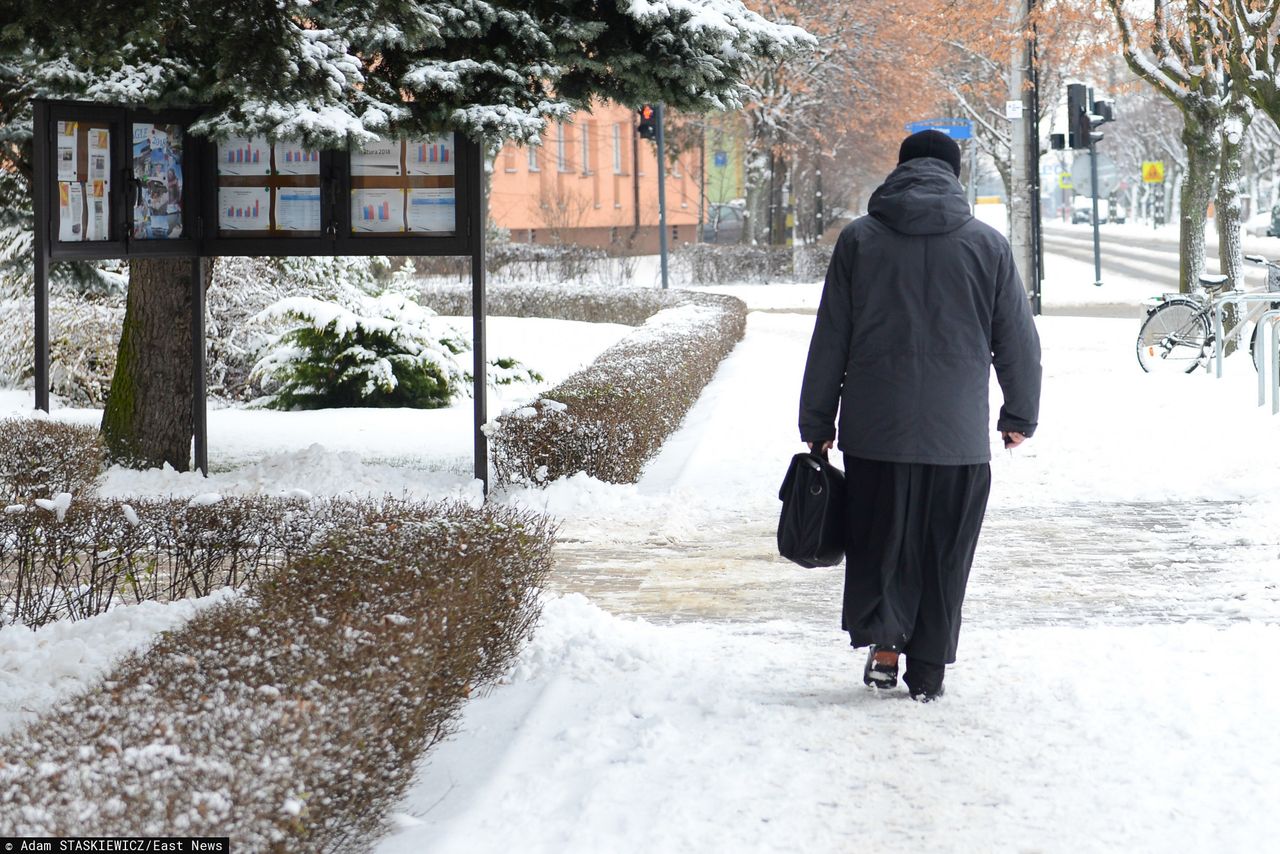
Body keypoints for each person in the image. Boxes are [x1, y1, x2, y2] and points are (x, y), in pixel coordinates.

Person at [798, 129, 1041, 702]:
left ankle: (885, 648)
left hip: (874, 432)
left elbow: (830, 336)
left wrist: (816, 422)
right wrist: (1019, 413)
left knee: (882, 542)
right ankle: (927, 669)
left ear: (899, 169)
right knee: (944, 551)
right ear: (955, 176)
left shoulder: (859, 240)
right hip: (955, 438)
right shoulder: (988, 245)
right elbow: (1018, 341)